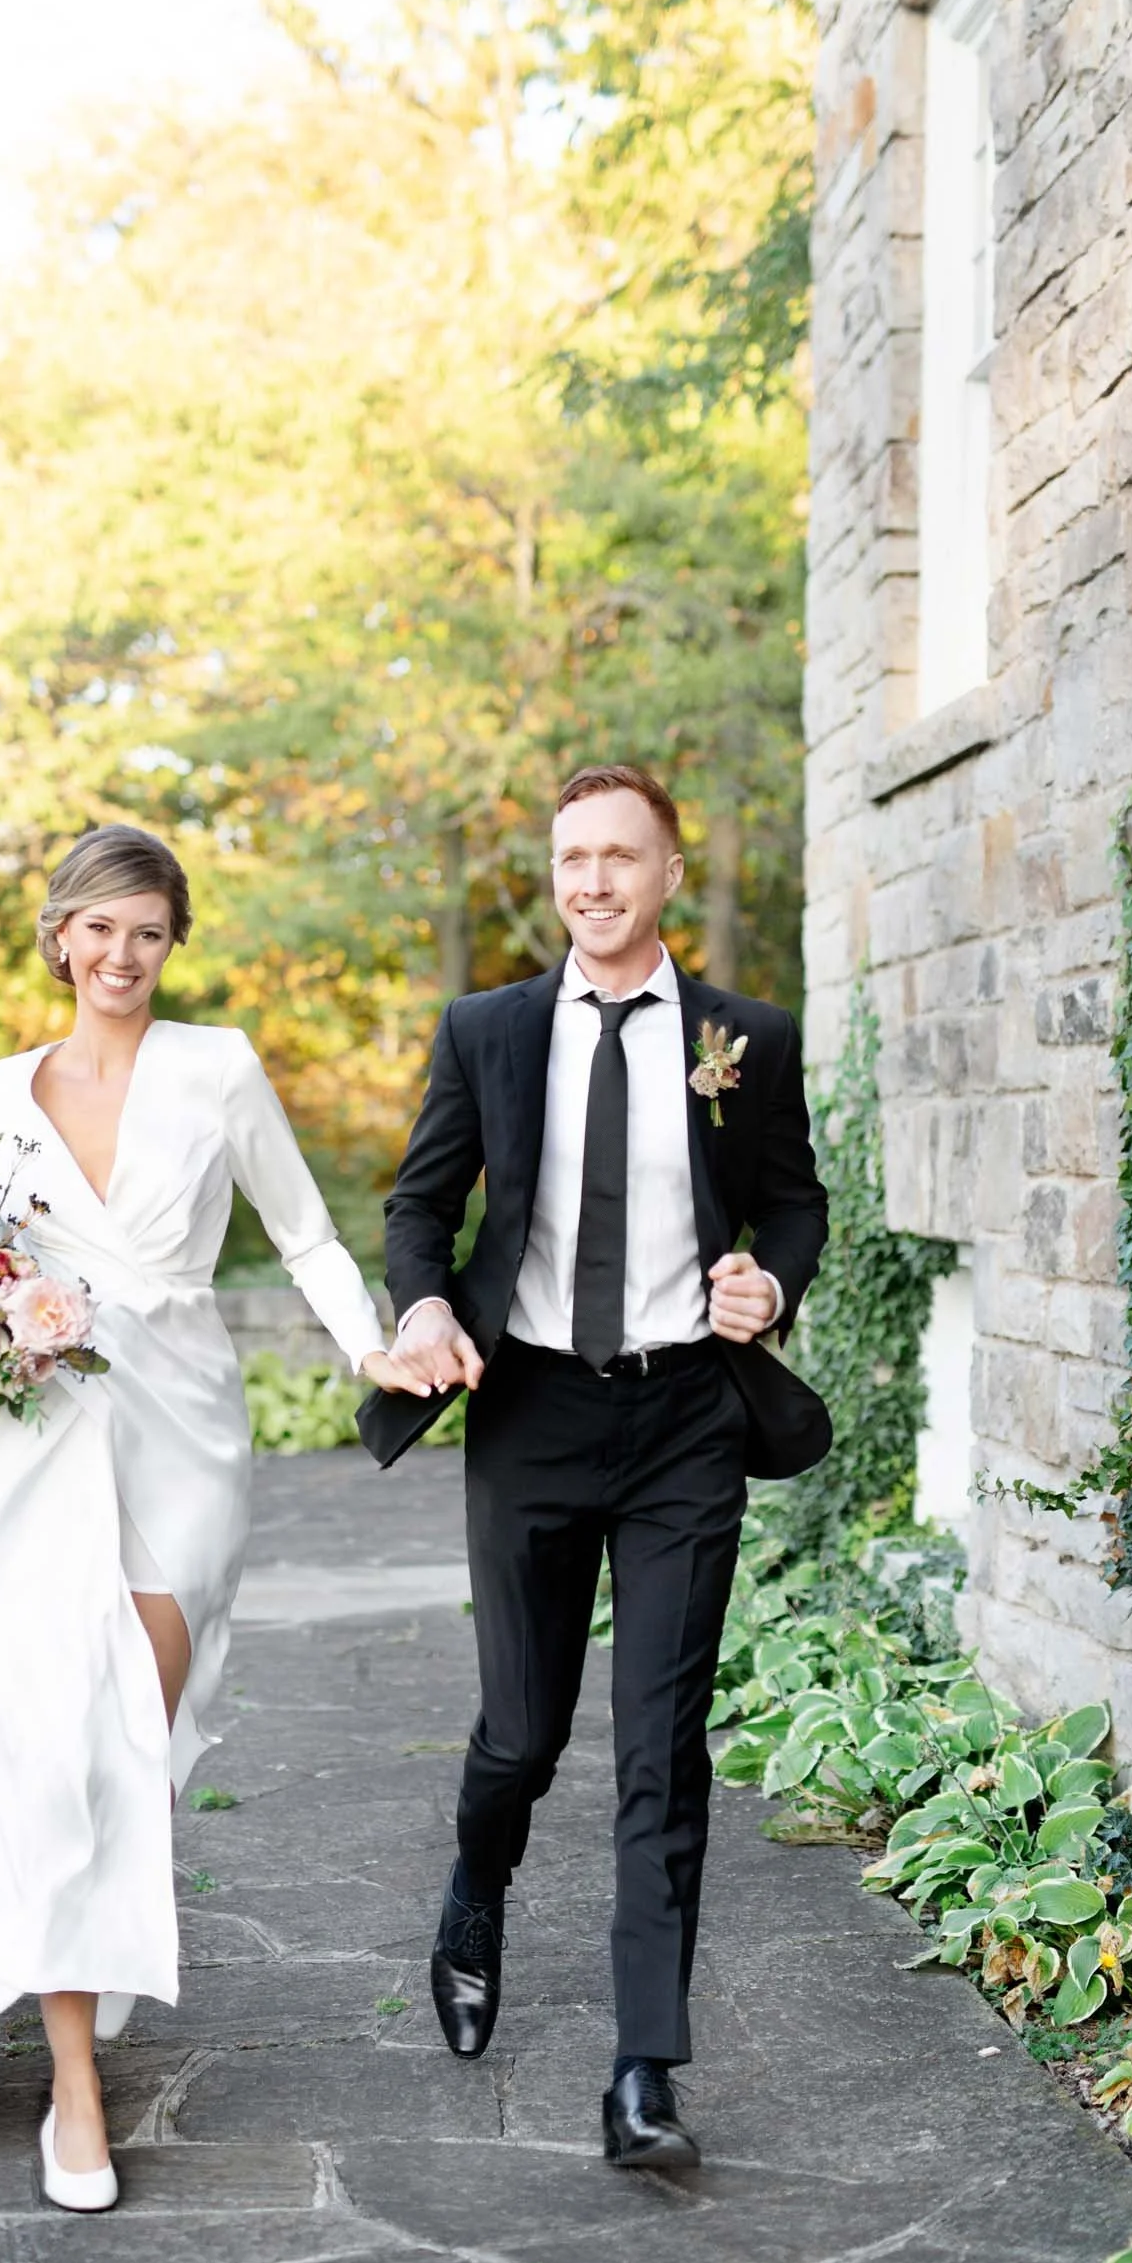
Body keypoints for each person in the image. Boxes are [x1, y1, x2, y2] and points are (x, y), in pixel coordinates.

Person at [0, 822, 414, 2212]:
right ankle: (73, 2089)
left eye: (147, 932)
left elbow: (309, 1235)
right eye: (98, 929)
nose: (121, 955)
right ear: (59, 937)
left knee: (119, 1751)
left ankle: (73, 1965)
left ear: (173, 943)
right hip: (30, 1444)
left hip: (181, 1444)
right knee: (4, 1724)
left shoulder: (217, 1070)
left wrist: (372, 1344)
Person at [360, 764, 831, 2172]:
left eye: (622, 856)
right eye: (573, 857)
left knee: (660, 1748)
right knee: (524, 1732)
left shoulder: (746, 1037)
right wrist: (426, 1303)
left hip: (687, 1414)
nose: (594, 881)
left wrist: (771, 1284)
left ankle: (643, 2073)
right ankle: (474, 1888)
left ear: (669, 873)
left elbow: (793, 1200)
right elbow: (420, 1203)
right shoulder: (489, 1029)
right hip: (534, 1416)